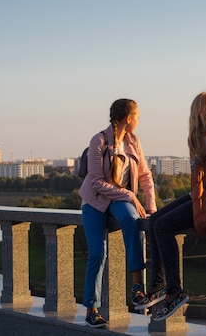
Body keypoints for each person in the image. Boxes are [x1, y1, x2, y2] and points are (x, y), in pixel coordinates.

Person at [141, 92, 206, 321]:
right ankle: (159, 286)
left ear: (198, 112)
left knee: (163, 226)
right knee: (156, 220)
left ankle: (174, 292)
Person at [79, 98, 157, 328]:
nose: (139, 121)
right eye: (138, 117)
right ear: (128, 119)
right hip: (95, 201)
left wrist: (150, 206)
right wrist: (132, 196)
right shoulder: (99, 141)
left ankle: (137, 289)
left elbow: (145, 175)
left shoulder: (134, 141)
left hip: (119, 199)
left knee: (131, 220)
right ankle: (91, 310)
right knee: (97, 254)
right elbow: (95, 183)